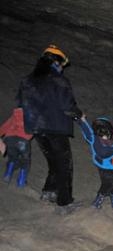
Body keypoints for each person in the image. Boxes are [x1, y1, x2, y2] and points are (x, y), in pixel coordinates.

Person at [16, 45, 83, 214]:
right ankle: (64, 203)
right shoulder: (59, 80)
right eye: (61, 65)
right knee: (64, 164)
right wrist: (78, 115)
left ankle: (48, 192)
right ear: (55, 62)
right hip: (55, 128)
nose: (62, 68)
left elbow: (21, 104)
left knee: (53, 162)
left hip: (37, 128)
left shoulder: (27, 80)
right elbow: (67, 105)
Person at [76, 116, 113, 209]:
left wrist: (82, 121)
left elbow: (87, 131)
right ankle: (97, 203)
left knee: (110, 183)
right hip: (111, 168)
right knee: (107, 185)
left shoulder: (93, 139)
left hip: (100, 165)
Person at [0, 108, 33, 187]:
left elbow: (6, 125)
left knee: (12, 157)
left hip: (9, 139)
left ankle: (7, 175)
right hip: (23, 141)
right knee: (25, 161)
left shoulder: (16, 113)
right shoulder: (35, 115)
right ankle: (21, 181)